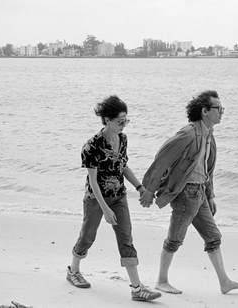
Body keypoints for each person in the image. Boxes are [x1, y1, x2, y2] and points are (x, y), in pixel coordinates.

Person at [140, 90, 238, 294]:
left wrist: (210, 195)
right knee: (175, 238)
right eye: (219, 109)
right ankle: (161, 280)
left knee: (213, 237)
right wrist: (148, 190)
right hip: (186, 194)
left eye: (222, 109)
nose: (222, 113)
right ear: (205, 111)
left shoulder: (208, 135)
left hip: (199, 193)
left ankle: (224, 282)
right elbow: (161, 159)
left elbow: (207, 170)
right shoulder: (188, 134)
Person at [67, 95, 161, 302]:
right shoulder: (91, 146)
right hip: (96, 199)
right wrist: (105, 209)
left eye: (126, 120)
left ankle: (137, 288)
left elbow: (123, 166)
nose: (124, 125)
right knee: (87, 237)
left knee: (126, 239)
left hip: (119, 197)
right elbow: (92, 181)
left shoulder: (123, 139)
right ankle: (73, 271)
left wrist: (140, 187)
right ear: (107, 120)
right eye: (120, 121)